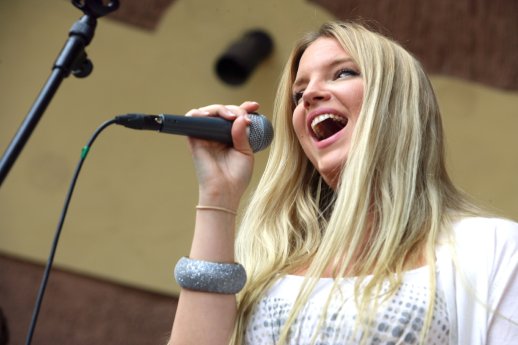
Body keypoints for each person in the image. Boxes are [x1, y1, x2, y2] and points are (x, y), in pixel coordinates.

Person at [168, 21, 518, 345]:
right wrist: (218, 195)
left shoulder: (490, 247)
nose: (308, 96)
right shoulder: (271, 260)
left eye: (343, 73)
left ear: (397, 102)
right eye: (298, 92)